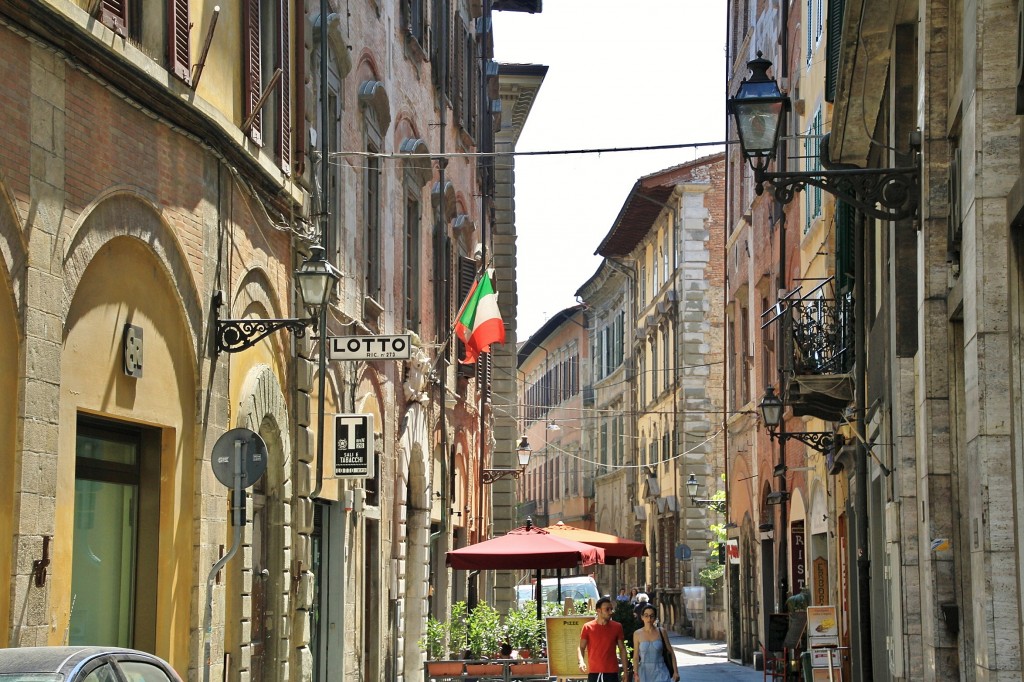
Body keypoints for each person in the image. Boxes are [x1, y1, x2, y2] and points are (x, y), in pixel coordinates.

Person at [579, 596, 629, 682]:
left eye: (611, 609)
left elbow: (622, 649)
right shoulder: (588, 627)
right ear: (598, 611)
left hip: (611, 672)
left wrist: (625, 671)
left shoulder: (617, 627)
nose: (610, 612)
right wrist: (581, 661)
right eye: (607, 609)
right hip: (594, 672)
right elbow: (581, 647)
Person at [632, 604, 679, 682]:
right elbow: (636, 656)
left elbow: (671, 652)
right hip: (644, 672)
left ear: (655, 618)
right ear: (642, 617)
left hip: (661, 671)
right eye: (646, 616)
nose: (649, 619)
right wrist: (636, 674)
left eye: (652, 616)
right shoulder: (637, 634)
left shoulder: (662, 631)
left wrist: (675, 672)